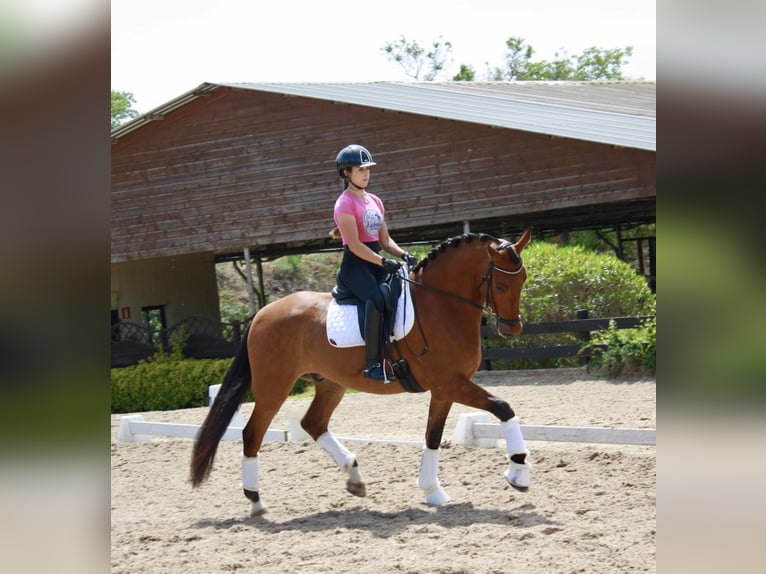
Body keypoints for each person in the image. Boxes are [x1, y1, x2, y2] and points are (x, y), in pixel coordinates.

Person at [332, 144, 418, 381]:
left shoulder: (375, 201)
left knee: (399, 293)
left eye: (368, 168)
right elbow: (355, 245)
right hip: (355, 265)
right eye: (360, 169)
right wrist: (382, 261)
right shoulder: (344, 204)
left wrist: (403, 255)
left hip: (375, 262)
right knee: (377, 298)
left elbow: (385, 240)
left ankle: (396, 352)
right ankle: (372, 364)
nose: (366, 173)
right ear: (346, 173)